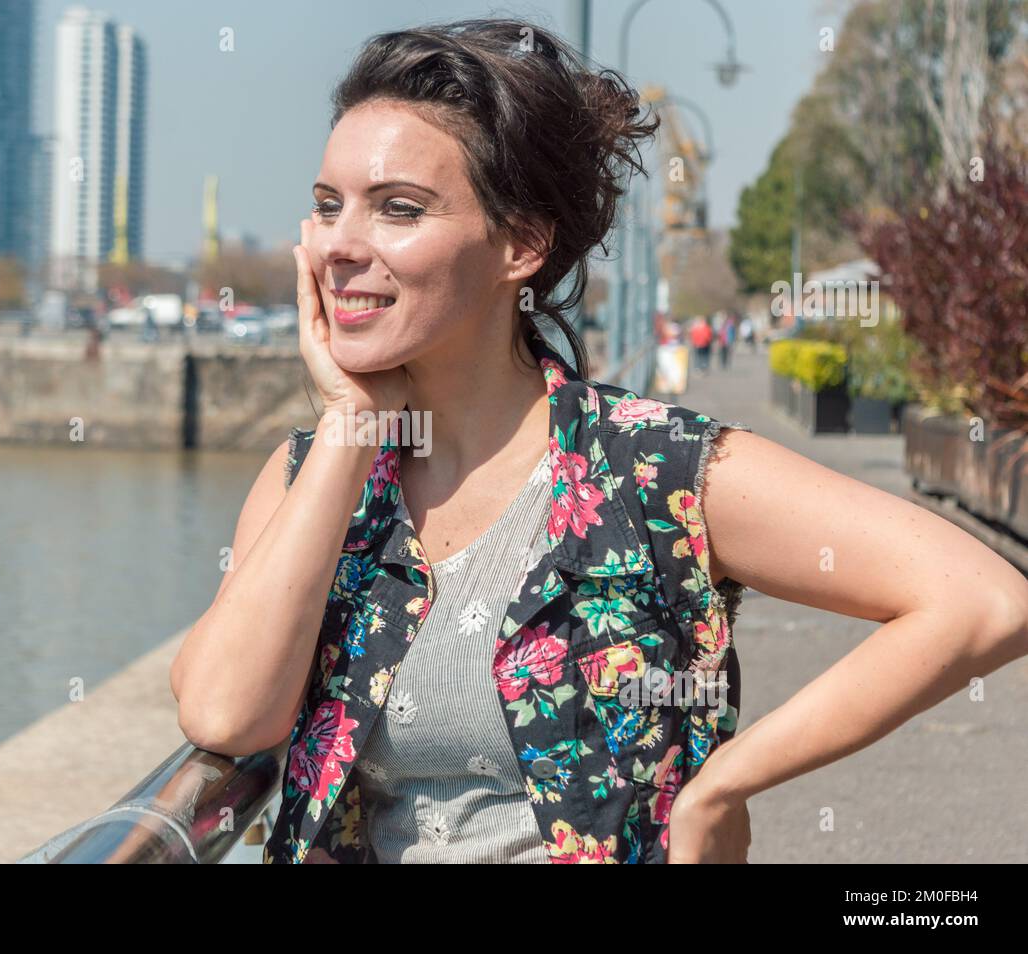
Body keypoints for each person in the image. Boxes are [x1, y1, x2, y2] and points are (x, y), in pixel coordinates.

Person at [169, 17, 1028, 865]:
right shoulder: (311, 474)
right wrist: (349, 427)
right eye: (327, 207)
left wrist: (725, 785)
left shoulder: (651, 472)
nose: (341, 246)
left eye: (398, 210)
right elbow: (224, 716)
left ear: (523, 244)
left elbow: (983, 601)